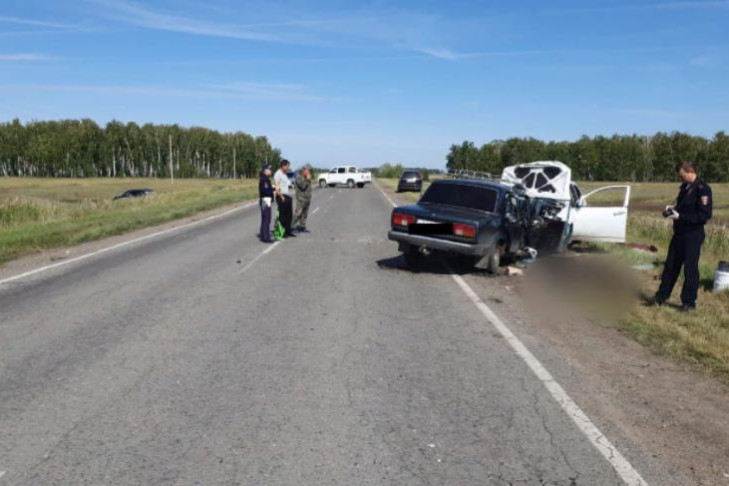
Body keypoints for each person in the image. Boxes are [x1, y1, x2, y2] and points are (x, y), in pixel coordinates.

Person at [652, 161, 713, 311]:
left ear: (689, 171)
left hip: (693, 234)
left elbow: (704, 215)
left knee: (690, 269)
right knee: (670, 266)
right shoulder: (684, 188)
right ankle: (660, 297)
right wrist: (671, 210)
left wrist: (681, 216)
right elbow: (681, 207)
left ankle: (688, 303)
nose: (680, 178)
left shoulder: (702, 189)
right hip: (679, 233)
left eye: (682, 175)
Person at [273, 159, 296, 238]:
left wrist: (292, 186)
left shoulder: (284, 174)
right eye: (287, 166)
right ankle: (281, 232)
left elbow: (288, 184)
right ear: (283, 166)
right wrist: (281, 196)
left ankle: (288, 231)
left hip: (287, 196)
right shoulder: (277, 174)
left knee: (289, 215)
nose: (288, 167)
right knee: (282, 216)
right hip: (281, 196)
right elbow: (277, 187)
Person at [293, 165, 313, 232]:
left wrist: (308, 179)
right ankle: (291, 227)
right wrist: (307, 180)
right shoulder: (299, 177)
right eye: (307, 170)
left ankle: (302, 226)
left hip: (307, 198)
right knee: (298, 214)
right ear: (304, 170)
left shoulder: (306, 177)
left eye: (309, 170)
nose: (308, 172)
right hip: (301, 199)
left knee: (304, 214)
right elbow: (303, 186)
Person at [258, 164, 274, 243]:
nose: (271, 171)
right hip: (265, 200)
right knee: (267, 219)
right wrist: (273, 189)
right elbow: (265, 190)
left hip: (265, 200)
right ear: (265, 171)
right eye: (269, 169)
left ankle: (262, 235)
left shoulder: (265, 179)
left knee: (265, 219)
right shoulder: (264, 179)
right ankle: (266, 237)